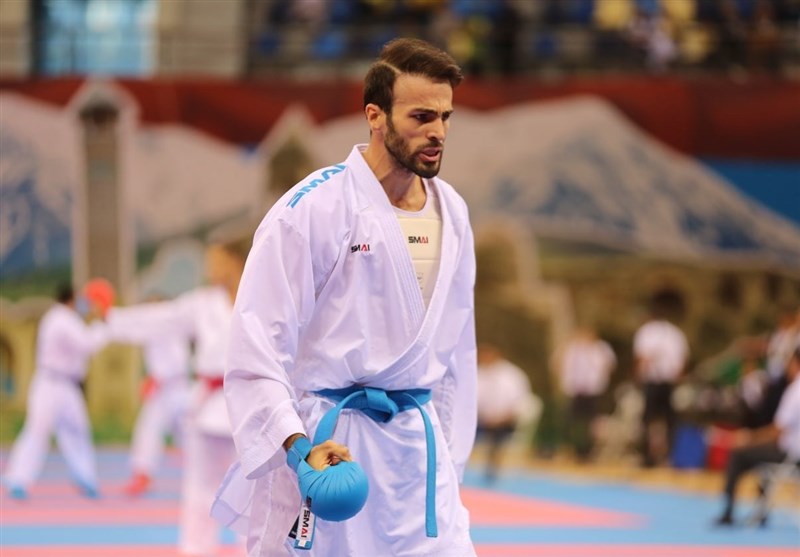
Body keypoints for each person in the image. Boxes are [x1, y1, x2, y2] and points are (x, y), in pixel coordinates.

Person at [213, 38, 477, 556]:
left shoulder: (453, 211)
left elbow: (455, 353)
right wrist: (297, 450)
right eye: (421, 116)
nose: (438, 132)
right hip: (331, 446)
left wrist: (450, 457)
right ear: (375, 115)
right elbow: (256, 348)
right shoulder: (314, 208)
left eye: (446, 117)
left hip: (417, 453)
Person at [108, 240, 248, 555]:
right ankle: (195, 549)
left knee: (253, 486)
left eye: (216, 261)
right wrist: (112, 317)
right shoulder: (202, 303)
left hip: (248, 403)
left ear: (235, 262)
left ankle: (252, 549)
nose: (210, 269)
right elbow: (160, 319)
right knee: (199, 486)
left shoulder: (260, 297)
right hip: (207, 402)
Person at [3, 280, 113, 500]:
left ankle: (86, 478)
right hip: (50, 384)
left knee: (77, 430)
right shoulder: (61, 319)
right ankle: (17, 478)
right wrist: (104, 325)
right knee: (37, 430)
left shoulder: (64, 319)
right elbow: (87, 344)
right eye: (81, 299)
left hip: (67, 386)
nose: (84, 304)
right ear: (71, 299)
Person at [714, 342, 800, 526]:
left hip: (791, 455)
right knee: (763, 453)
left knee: (739, 454)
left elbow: (777, 431)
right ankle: (762, 509)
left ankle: (728, 511)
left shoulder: (795, 392)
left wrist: (747, 439)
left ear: (795, 363)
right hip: (792, 453)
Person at [117, 295, 192, 497]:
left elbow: (178, 360)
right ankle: (142, 474)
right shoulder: (152, 331)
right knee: (148, 430)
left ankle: (212, 472)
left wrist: (157, 377)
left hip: (176, 388)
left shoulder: (170, 328)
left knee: (189, 436)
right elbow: (131, 331)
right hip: (164, 391)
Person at [633, 301, 689, 467]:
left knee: (651, 419)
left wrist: (638, 376)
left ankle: (650, 457)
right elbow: (682, 359)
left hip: (656, 380)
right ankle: (668, 456)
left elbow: (641, 358)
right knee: (667, 419)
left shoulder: (647, 332)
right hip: (665, 380)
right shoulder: (675, 333)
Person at [476, 343, 535, 482]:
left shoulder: (512, 376)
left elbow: (521, 403)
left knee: (498, 434)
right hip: (481, 420)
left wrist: (502, 418)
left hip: (506, 421)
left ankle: (493, 467)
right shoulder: (478, 374)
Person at [558, 326, 616, 462]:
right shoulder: (573, 349)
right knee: (572, 419)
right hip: (575, 389)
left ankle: (589, 450)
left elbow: (609, 365)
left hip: (593, 390)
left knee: (591, 421)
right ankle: (572, 448)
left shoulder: (601, 349)